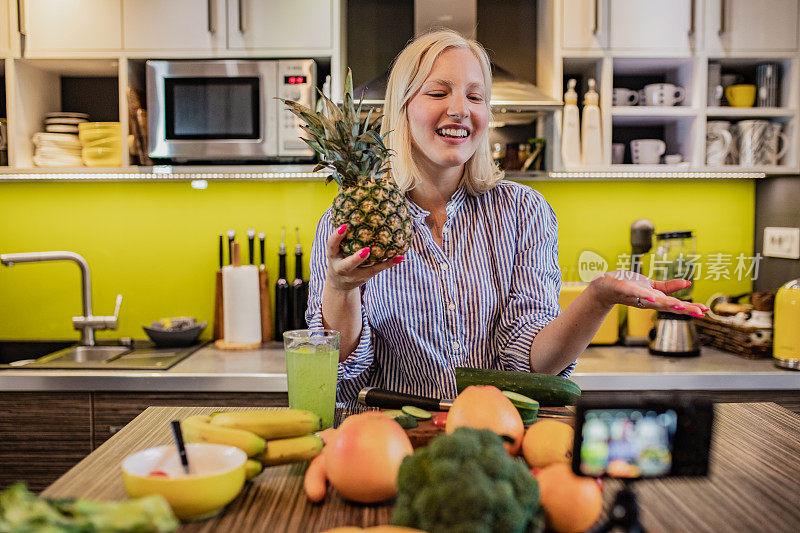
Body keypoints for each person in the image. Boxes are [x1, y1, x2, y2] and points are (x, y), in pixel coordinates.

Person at [306, 30, 707, 407]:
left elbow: (531, 363)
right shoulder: (347, 222)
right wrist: (340, 288)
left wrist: (597, 297)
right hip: (384, 444)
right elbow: (340, 372)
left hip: (496, 438)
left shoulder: (523, 211)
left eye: (475, 96)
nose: (460, 109)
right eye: (438, 91)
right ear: (403, 107)